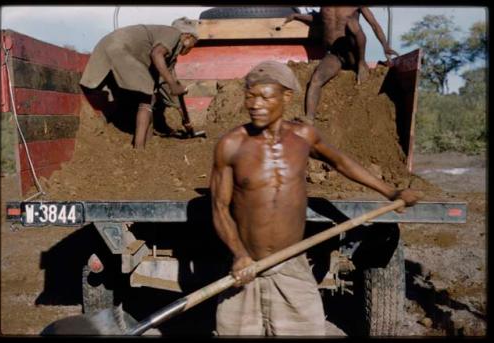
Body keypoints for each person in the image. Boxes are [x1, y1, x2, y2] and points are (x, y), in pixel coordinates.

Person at [209, 61, 421, 336]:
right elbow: (219, 207)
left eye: (265, 96)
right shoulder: (231, 145)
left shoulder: (302, 136)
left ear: (286, 97)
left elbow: (341, 162)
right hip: (245, 267)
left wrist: (390, 192)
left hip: (291, 264)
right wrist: (238, 255)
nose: (255, 104)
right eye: (250, 96)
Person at [80, 17, 199, 148]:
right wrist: (172, 85)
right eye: (195, 41)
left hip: (115, 47)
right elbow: (156, 55)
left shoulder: (170, 53)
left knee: (149, 96)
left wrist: (186, 121)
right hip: (118, 47)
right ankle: (139, 150)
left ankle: (144, 146)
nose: (193, 46)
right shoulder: (173, 33)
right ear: (188, 36)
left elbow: (167, 84)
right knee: (148, 96)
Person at [284, 7, 398, 123]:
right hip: (335, 54)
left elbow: (374, 25)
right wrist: (297, 16)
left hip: (353, 53)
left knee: (351, 23)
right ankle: (309, 117)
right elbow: (319, 19)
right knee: (316, 79)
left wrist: (385, 46)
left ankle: (361, 63)